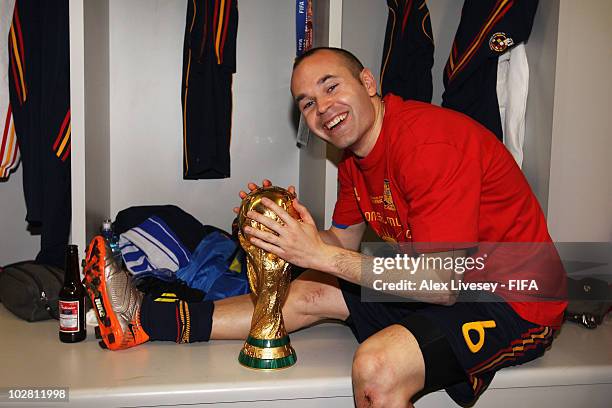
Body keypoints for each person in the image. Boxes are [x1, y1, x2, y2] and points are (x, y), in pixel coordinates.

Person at [83, 47, 567, 407]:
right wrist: (292, 235)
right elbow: (343, 244)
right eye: (307, 103)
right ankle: (143, 319)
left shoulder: (428, 144)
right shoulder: (354, 159)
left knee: (377, 367)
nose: (321, 108)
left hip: (516, 298)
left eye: (331, 87)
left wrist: (319, 254)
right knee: (303, 293)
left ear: (368, 83)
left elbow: (441, 285)